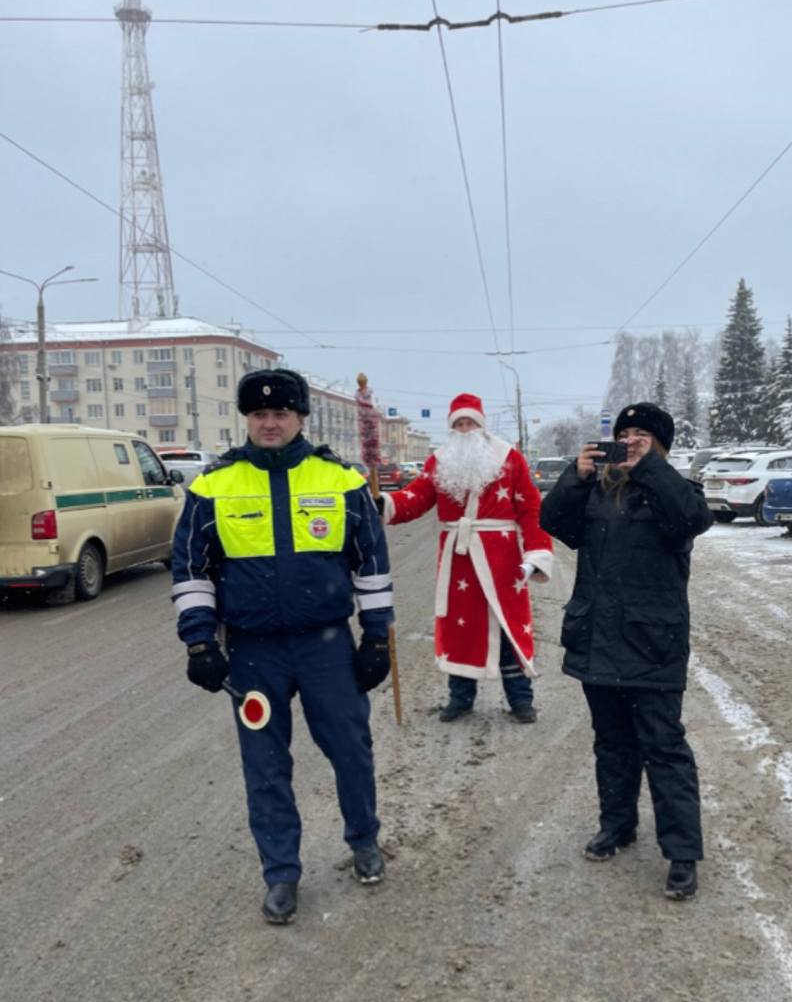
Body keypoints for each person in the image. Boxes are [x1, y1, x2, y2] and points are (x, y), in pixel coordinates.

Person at [171, 368, 394, 926]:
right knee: (265, 766)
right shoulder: (212, 488)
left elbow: (371, 564)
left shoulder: (340, 482)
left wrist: (377, 637)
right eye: (260, 415)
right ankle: (281, 874)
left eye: (282, 414)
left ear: (300, 418)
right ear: (248, 419)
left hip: (327, 648)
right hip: (253, 653)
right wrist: (200, 642)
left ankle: (364, 840)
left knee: (350, 749)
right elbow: (191, 569)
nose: (270, 423)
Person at [540, 402, 712, 900]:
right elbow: (553, 520)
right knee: (612, 743)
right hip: (598, 637)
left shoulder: (676, 492)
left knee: (663, 746)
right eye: (624, 433)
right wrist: (576, 475)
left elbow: (689, 520)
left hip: (652, 642)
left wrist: (650, 468)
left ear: (661, 445)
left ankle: (682, 852)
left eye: (643, 435)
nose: (631, 440)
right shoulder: (598, 492)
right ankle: (617, 825)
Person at [378, 393, 553, 722]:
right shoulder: (440, 461)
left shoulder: (510, 458)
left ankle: (520, 699)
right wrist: (384, 503)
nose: (464, 428)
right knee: (461, 629)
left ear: (481, 424)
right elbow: (416, 498)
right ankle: (460, 698)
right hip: (458, 560)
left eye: (469, 422)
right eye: (457, 423)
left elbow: (530, 509)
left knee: (507, 627)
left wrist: (537, 551)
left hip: (502, 560)